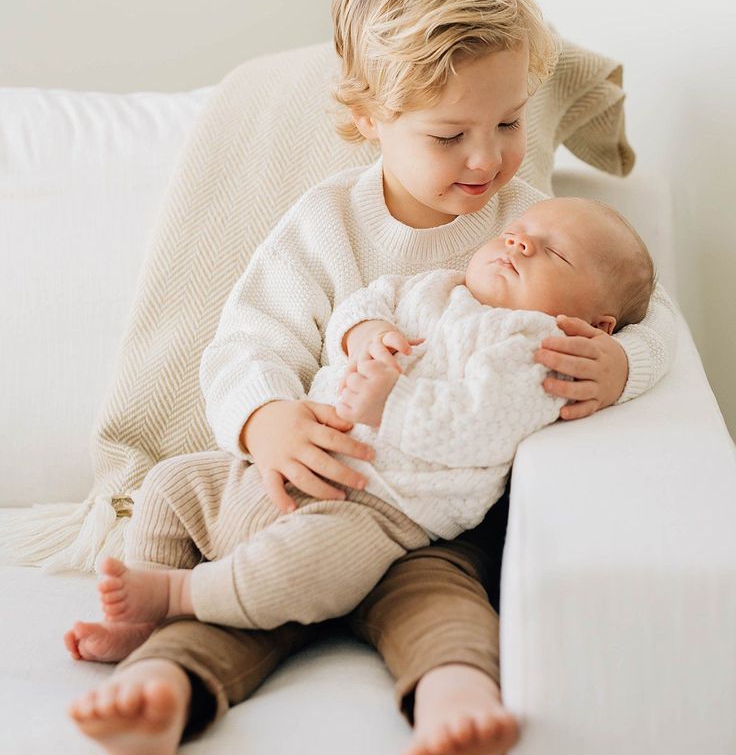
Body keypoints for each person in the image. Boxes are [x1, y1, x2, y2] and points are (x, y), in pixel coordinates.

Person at [64, 0, 676, 755]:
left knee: (444, 609)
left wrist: (621, 365)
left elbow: (655, 321)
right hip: (308, 491)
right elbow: (249, 341)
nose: (485, 159)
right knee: (239, 584)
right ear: (367, 118)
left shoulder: (535, 223)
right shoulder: (326, 225)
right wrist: (265, 419)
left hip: (429, 526)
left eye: (507, 124)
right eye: (450, 133)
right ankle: (157, 690)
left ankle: (459, 713)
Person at [80, 196, 655, 642]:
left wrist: (390, 405)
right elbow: (363, 303)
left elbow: (480, 426)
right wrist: (366, 334)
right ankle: (134, 615)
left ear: (597, 325)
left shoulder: (541, 348)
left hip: (375, 506)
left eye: (552, 252)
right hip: (284, 461)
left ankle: (179, 596)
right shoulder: (435, 287)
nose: (519, 243)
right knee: (170, 483)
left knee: (304, 569)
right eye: (518, 232)